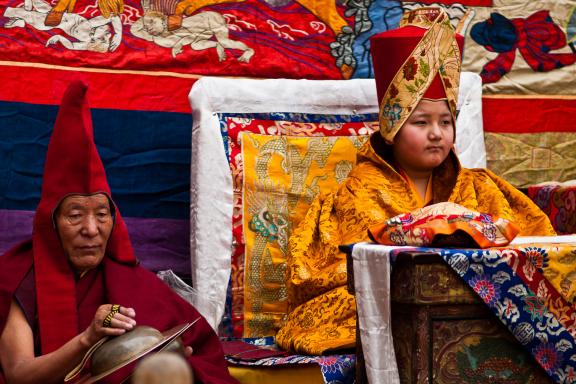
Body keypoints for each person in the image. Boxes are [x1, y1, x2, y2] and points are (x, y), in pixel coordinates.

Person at [275, 7, 556, 355]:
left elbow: (536, 253)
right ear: (392, 129)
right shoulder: (356, 195)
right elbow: (329, 278)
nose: (437, 134)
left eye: (446, 122)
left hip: (472, 314)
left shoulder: (482, 187)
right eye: (421, 122)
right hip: (394, 311)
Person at [0, 81, 238, 384]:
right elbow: (19, 375)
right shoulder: (17, 276)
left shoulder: (130, 281)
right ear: (52, 224)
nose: (91, 229)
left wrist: (176, 360)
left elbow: (199, 351)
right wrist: (87, 339)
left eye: (102, 214)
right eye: (75, 215)